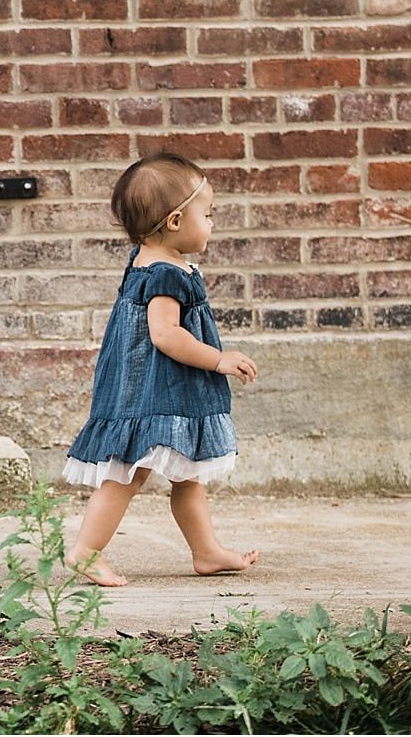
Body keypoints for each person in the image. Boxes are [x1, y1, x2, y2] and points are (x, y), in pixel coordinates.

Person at [62, 151, 260, 587]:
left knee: (188, 475)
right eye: (206, 214)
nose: (211, 223)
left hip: (160, 389)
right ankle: (85, 551)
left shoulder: (148, 259)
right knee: (127, 475)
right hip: (152, 392)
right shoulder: (167, 274)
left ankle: (206, 551)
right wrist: (219, 359)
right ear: (174, 222)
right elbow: (165, 335)